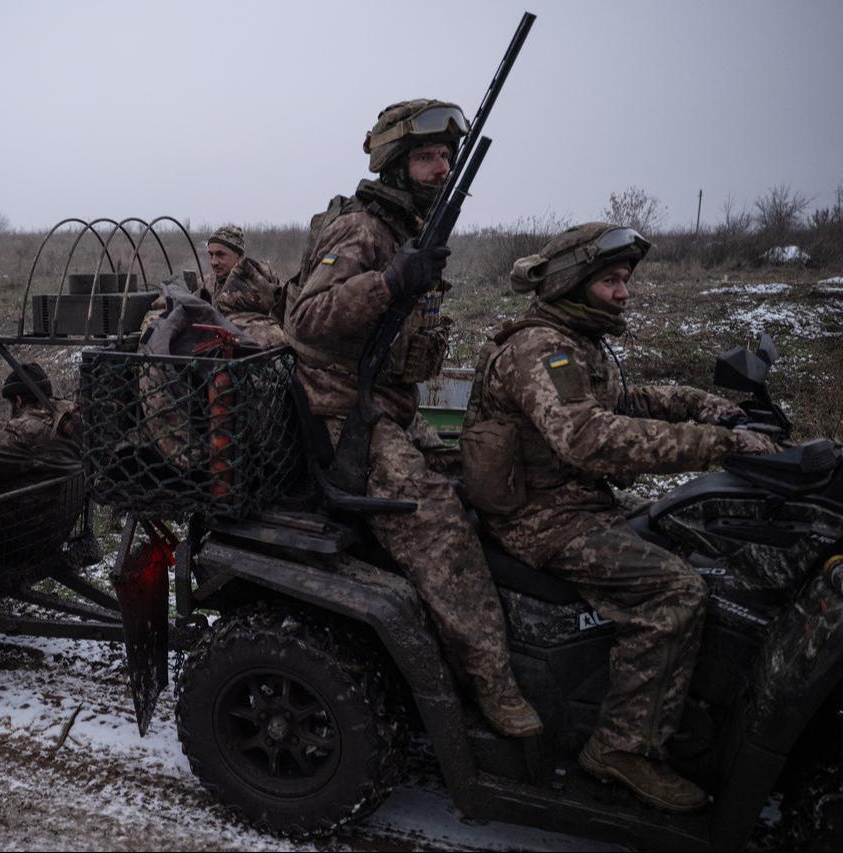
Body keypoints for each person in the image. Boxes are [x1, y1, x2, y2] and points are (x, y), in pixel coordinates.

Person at [461, 222, 778, 811]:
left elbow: (617, 402)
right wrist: (717, 444)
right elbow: (586, 438)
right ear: (576, 284)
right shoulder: (541, 349)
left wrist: (702, 405)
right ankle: (619, 748)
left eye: (625, 281)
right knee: (675, 593)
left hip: (577, 501)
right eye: (611, 281)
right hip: (542, 518)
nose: (623, 293)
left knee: (703, 544)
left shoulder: (577, 342)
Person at [282, 99, 542, 737]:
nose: (441, 167)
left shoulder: (410, 228)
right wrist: (390, 282)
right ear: (395, 164)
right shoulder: (364, 229)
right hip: (340, 412)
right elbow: (304, 323)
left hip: (389, 408)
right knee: (438, 521)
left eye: (446, 156)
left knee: (488, 474)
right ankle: (491, 684)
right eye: (426, 156)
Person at [0, 363, 80, 492]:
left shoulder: (25, 433)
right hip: (69, 501)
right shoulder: (67, 414)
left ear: (18, 401)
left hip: (38, 508)